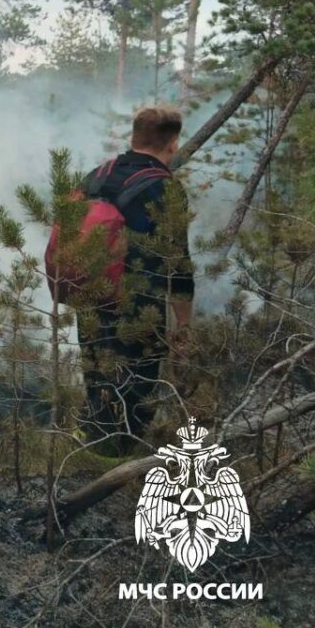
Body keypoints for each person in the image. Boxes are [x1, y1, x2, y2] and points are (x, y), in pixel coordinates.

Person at [77, 106, 194, 455]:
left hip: (91, 298)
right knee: (136, 389)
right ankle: (121, 464)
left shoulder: (96, 176)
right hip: (139, 306)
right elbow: (178, 265)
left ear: (133, 136)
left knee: (97, 380)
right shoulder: (166, 188)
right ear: (172, 144)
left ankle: (94, 454)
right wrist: (184, 327)